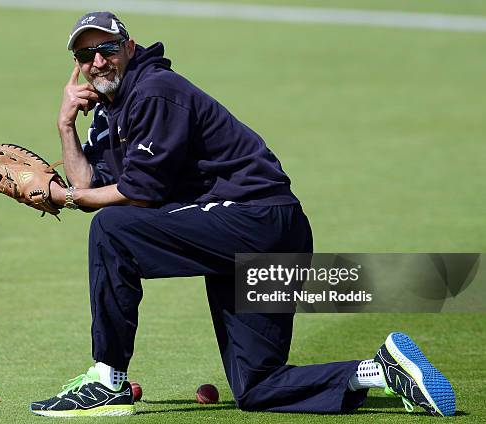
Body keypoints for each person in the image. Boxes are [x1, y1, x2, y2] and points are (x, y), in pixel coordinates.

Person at [30, 11, 455, 418]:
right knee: (258, 386)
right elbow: (89, 186)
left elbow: (135, 196)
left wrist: (64, 197)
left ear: (130, 47)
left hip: (258, 221)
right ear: (77, 64)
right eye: (86, 56)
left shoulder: (156, 90)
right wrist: (65, 127)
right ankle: (380, 370)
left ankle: (108, 380)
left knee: (112, 230)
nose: (98, 62)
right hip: (243, 234)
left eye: (107, 48)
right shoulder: (108, 111)